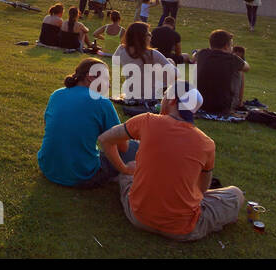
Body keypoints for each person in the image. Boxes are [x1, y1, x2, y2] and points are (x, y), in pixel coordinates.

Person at [98, 83, 245, 241]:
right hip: (182, 229)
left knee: (129, 171)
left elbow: (105, 139)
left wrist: (123, 169)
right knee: (235, 194)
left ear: (172, 101)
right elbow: (201, 191)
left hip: (138, 217)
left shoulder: (146, 121)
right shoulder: (206, 144)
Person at [38, 57, 136, 188]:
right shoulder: (102, 102)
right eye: (106, 79)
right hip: (81, 175)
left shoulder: (57, 94)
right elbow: (123, 147)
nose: (109, 85)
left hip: (48, 168)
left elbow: (48, 126)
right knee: (136, 147)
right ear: (90, 77)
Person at [191, 30, 249, 114]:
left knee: (197, 64)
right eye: (231, 46)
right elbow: (247, 68)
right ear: (226, 46)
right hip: (222, 106)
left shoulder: (202, 53)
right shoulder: (232, 59)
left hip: (200, 103)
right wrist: (240, 59)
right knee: (240, 71)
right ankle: (239, 103)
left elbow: (193, 56)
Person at [115, 22, 174, 103]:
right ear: (142, 37)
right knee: (170, 62)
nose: (150, 36)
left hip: (130, 94)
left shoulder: (121, 50)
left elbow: (115, 62)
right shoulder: (152, 53)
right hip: (150, 96)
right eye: (148, 34)